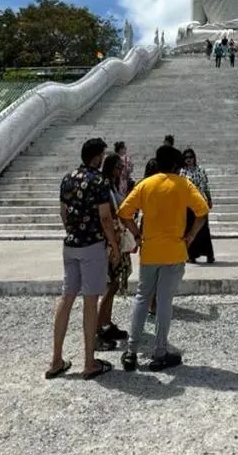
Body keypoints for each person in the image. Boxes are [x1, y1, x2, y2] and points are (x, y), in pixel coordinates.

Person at [117, 145, 209, 372]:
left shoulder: (145, 184)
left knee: (142, 297)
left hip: (149, 250)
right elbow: (202, 211)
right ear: (176, 165)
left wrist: (137, 235)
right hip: (174, 250)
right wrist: (190, 236)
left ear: (157, 162)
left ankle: (131, 352)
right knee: (165, 302)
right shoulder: (183, 184)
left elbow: (124, 212)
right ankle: (160, 352)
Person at [48, 137, 119, 381]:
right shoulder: (98, 181)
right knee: (90, 302)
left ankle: (56, 359)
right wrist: (114, 245)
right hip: (92, 245)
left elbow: (63, 211)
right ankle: (89, 362)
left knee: (67, 298)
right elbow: (106, 218)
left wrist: (72, 230)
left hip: (71, 244)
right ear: (97, 157)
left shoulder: (67, 178)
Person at [95, 153, 133, 348]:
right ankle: (97, 330)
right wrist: (115, 246)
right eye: (118, 166)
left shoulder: (113, 186)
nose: (121, 170)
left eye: (122, 167)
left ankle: (106, 324)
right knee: (111, 285)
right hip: (112, 242)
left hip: (117, 239)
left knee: (115, 283)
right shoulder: (104, 187)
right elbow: (107, 217)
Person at [181, 148, 216, 264]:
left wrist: (209, 199)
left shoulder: (201, 170)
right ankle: (191, 255)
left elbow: (205, 186)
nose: (189, 160)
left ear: (194, 158)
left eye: (190, 157)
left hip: (201, 203)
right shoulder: (182, 172)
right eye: (186, 157)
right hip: (188, 205)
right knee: (190, 229)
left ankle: (209, 254)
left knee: (204, 229)